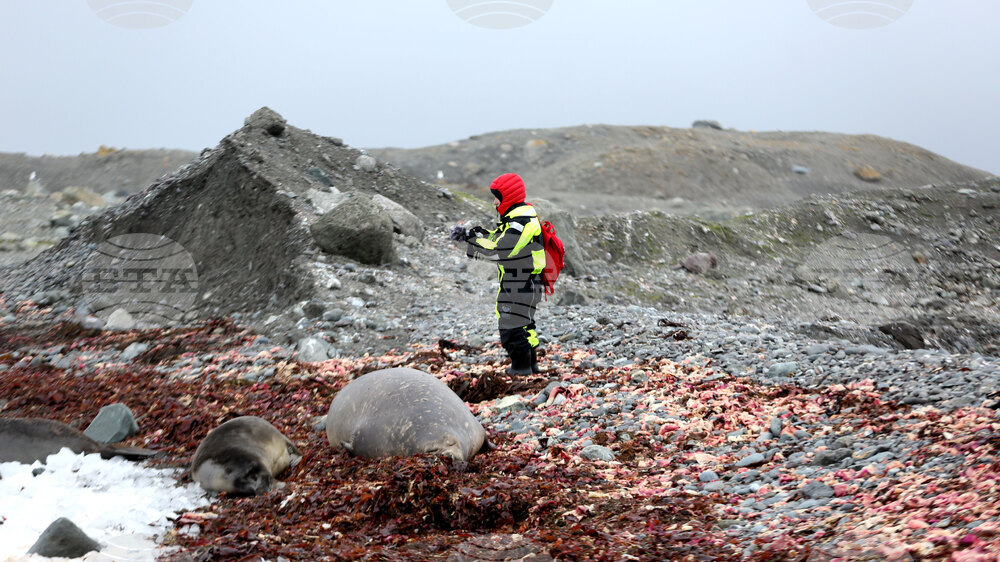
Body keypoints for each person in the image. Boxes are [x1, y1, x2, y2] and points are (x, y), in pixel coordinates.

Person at [463, 173, 545, 376]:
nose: (494, 202)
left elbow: (500, 250)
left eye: (497, 197)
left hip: (520, 282)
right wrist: (482, 234)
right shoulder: (520, 218)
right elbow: (501, 239)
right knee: (525, 325)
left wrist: (474, 241)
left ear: (507, 198)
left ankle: (521, 368)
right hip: (526, 281)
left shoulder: (520, 223)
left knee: (510, 325)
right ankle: (530, 366)